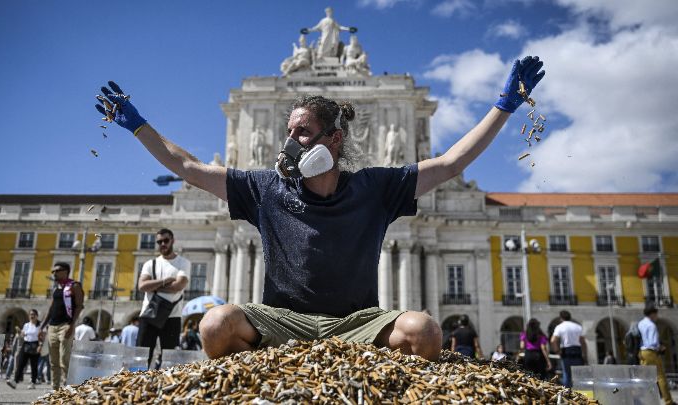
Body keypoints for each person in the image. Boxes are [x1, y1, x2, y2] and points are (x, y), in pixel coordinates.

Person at [94, 55, 545, 361]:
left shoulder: (374, 188)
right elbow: (187, 166)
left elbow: (450, 163)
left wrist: (504, 106)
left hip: (357, 323)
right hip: (282, 320)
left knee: (424, 331)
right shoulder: (265, 188)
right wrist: (137, 123)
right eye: (289, 132)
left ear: (335, 138)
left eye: (303, 133)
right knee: (215, 324)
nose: (291, 143)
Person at [136, 228, 190, 367]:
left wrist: (153, 285)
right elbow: (142, 286)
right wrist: (165, 281)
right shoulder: (150, 264)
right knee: (142, 356)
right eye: (159, 241)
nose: (162, 244)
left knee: (170, 359)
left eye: (166, 240)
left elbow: (178, 286)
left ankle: (166, 387)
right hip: (149, 314)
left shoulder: (183, 263)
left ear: (173, 241)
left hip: (173, 316)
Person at [40, 261, 84, 391]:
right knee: (53, 361)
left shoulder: (74, 286)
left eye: (57, 270)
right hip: (52, 327)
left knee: (64, 359)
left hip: (66, 325)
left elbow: (79, 306)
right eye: (53, 271)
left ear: (65, 271)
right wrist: (42, 327)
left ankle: (69, 387)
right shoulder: (57, 288)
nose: (54, 273)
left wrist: (72, 325)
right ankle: (55, 389)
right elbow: (51, 308)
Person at [638, 306, 675, 405]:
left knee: (644, 377)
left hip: (641, 352)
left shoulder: (640, 323)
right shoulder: (651, 325)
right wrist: (661, 348)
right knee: (660, 377)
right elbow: (653, 342)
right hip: (651, 352)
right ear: (653, 314)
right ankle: (668, 401)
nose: (657, 317)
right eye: (656, 314)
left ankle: (638, 399)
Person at [550, 310, 587, 388]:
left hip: (566, 351)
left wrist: (557, 351)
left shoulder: (560, 327)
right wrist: (584, 354)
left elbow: (553, 340)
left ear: (561, 318)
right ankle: (580, 392)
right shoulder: (578, 326)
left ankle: (568, 395)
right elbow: (583, 342)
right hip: (577, 350)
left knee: (567, 374)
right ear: (570, 317)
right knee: (578, 374)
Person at [7, 309, 42, 390]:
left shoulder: (39, 325)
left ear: (37, 316)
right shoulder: (26, 325)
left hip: (35, 345)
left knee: (34, 365)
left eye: (33, 314)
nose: (32, 316)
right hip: (26, 344)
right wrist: (20, 332)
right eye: (30, 314)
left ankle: (33, 382)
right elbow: (23, 335)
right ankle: (15, 381)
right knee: (21, 363)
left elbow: (41, 336)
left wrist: (40, 345)